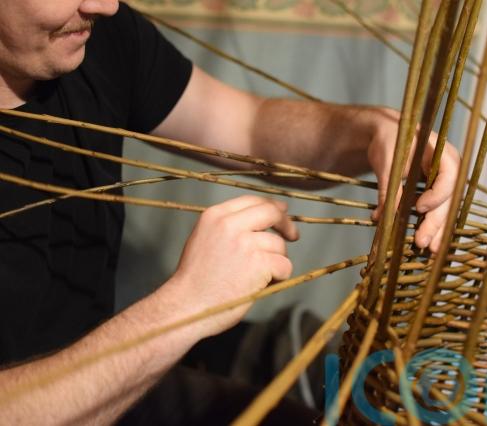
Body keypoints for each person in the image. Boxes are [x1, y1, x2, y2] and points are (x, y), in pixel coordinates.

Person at [0, 0, 460, 423]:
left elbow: (251, 127)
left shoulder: (96, 41)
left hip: (113, 386)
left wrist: (374, 132)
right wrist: (183, 306)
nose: (104, 5)